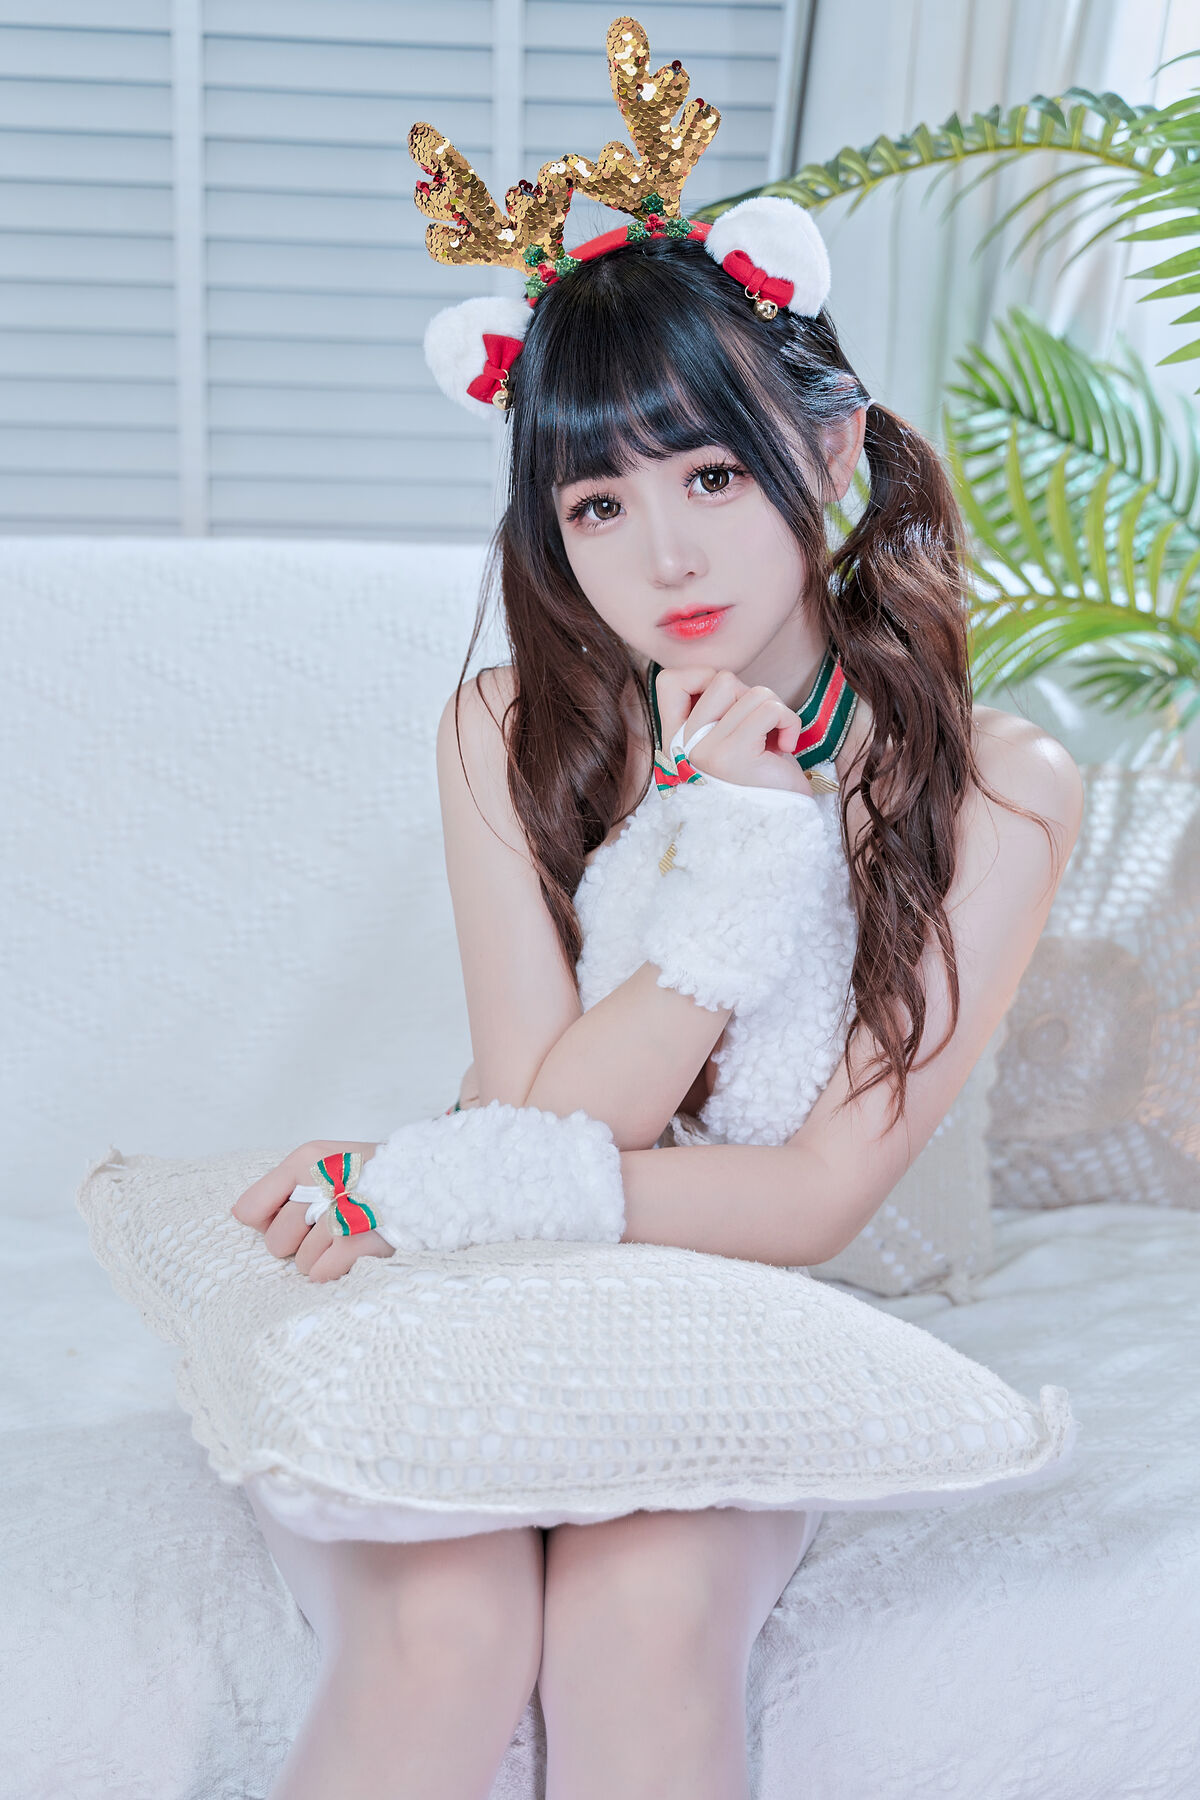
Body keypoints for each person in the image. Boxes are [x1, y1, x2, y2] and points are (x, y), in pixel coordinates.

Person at [228, 27, 1085, 1800]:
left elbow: (816, 1197)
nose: (666, 558)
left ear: (828, 452)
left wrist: (418, 1180)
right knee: (446, 1625)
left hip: (731, 1301)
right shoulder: (504, 726)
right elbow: (549, 1107)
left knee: (639, 1624)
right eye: (599, 504)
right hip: (477, 1261)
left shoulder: (1002, 786)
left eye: (711, 475)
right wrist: (730, 846)